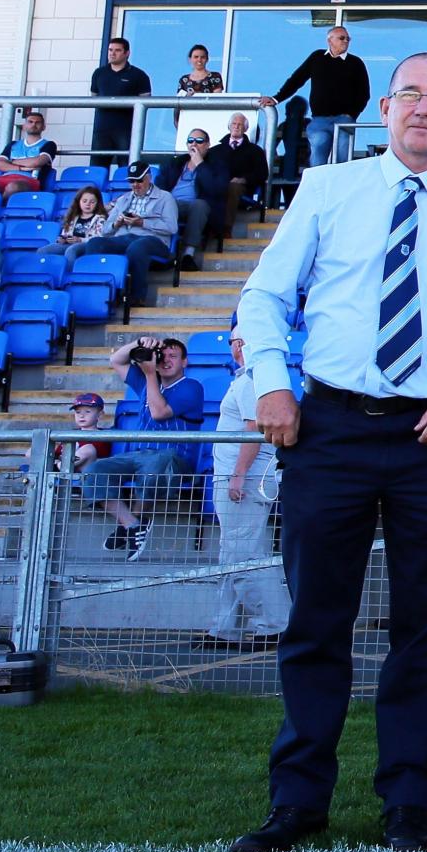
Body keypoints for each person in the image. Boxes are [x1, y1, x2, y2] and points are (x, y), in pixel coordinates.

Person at [231, 51, 427, 852]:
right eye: (412, 96)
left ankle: (407, 803)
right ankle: (297, 802)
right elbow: (262, 297)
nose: (425, 109)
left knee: (425, 631)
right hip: (331, 432)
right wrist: (270, 382)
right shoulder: (327, 189)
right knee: (316, 624)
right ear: (385, 109)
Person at [81, 336, 207, 559]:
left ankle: (137, 518)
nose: (165, 360)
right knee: (94, 471)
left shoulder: (192, 387)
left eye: (173, 356)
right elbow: (117, 360)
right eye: (162, 355)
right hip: (140, 454)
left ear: (185, 362)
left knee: (154, 463)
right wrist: (139, 343)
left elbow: (159, 413)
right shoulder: (148, 381)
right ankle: (131, 525)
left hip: (174, 458)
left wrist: (150, 373)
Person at [205, 331, 288, 652]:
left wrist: (239, 475)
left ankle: (276, 624)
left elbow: (254, 428)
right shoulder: (246, 380)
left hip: (242, 477)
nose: (234, 346)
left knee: (243, 554)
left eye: (236, 341)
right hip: (236, 475)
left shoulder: (252, 380)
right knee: (234, 551)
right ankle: (225, 627)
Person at [260, 25, 370, 170]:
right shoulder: (317, 58)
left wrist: (351, 114)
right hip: (320, 120)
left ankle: (341, 187)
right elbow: (297, 79)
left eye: (348, 38)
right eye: (342, 38)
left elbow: (364, 93)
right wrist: (276, 99)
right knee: (318, 147)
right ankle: (318, 186)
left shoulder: (355, 63)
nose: (346, 41)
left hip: (344, 120)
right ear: (330, 40)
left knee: (343, 157)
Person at [77, 162, 179, 301]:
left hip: (153, 239)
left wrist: (142, 222)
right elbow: (105, 230)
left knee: (137, 247)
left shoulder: (165, 197)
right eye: (132, 181)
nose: (135, 185)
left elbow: (171, 227)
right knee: (95, 243)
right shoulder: (123, 199)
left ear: (149, 178)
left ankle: (136, 297)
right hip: (124, 237)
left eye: (139, 180)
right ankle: (97, 294)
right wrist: (116, 223)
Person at [155, 129, 222, 270]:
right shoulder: (176, 163)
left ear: (207, 145)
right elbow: (159, 186)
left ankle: (188, 254)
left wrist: (200, 165)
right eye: (191, 141)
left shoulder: (216, 164)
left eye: (199, 141)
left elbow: (215, 189)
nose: (194, 145)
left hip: (194, 206)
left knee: (199, 205)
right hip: (170, 203)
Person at [89, 36, 153, 168]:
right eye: (110, 50)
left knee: (126, 167)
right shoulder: (99, 73)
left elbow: (146, 101)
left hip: (127, 129)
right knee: (97, 168)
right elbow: (93, 97)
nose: (112, 53)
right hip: (101, 129)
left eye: (117, 50)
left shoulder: (138, 75)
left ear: (127, 53)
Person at [0, 109, 57, 195]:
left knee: (13, 187)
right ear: (24, 126)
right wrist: (20, 168)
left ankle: (4, 207)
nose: (34, 124)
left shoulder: (49, 144)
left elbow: (36, 162)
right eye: (30, 122)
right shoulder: (13, 144)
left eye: (37, 122)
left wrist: (11, 162)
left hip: (29, 180)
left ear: (44, 127)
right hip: (5, 177)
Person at [215, 113, 270, 224]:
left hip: (243, 187)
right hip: (218, 184)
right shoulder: (215, 150)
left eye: (240, 124)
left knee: (233, 187)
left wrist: (243, 179)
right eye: (234, 124)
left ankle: (225, 229)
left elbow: (263, 173)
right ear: (229, 126)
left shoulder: (255, 151)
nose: (236, 126)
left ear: (245, 128)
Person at [53, 184, 110, 257]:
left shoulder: (101, 219)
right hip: (69, 244)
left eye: (92, 202)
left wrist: (80, 240)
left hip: (87, 245)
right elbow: (65, 233)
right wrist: (62, 239)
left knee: (71, 251)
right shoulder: (73, 216)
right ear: (79, 201)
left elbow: (99, 238)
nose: (88, 204)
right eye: (84, 201)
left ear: (97, 203)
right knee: (45, 250)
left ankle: (70, 268)